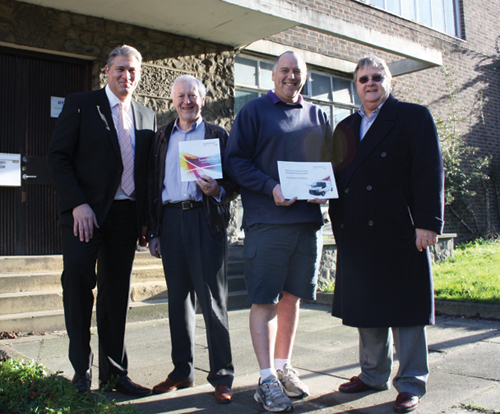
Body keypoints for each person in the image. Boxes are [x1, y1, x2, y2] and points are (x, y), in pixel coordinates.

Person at [329, 56, 444, 413]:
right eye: (362, 78)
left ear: (389, 81)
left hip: (402, 229)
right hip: (358, 230)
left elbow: (429, 171)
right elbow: (336, 176)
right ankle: (373, 373)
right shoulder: (345, 127)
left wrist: (428, 222)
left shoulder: (413, 117)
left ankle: (411, 382)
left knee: (406, 308)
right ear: (355, 85)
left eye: (377, 77)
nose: (370, 83)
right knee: (368, 308)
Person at [225, 51, 333, 412]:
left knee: (293, 298)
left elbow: (329, 164)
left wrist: (325, 190)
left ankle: (285, 367)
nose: (291, 77)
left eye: (297, 72)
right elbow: (235, 161)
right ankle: (266, 377)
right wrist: (271, 186)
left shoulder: (318, 114)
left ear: (306, 77)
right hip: (268, 223)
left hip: (308, 224)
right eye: (284, 70)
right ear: (273, 76)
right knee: (264, 301)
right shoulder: (253, 112)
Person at [47, 45, 156, 397]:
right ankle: (81, 371)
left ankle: (114, 374)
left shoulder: (146, 115)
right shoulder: (81, 104)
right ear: (106, 72)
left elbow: (147, 173)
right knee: (78, 289)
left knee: (115, 297)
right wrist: (77, 203)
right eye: (121, 69)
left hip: (126, 217)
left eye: (133, 71)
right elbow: (58, 158)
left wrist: (145, 219)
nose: (127, 76)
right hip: (85, 217)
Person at [147, 75, 238, 404]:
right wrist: (154, 230)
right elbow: (151, 186)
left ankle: (222, 375)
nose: (187, 101)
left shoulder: (218, 135)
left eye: (193, 96)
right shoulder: (161, 137)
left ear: (203, 98)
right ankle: (181, 370)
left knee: (213, 300)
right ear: (173, 102)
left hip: (204, 219)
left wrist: (219, 190)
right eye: (181, 96)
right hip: (171, 221)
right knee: (177, 300)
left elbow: (235, 181)